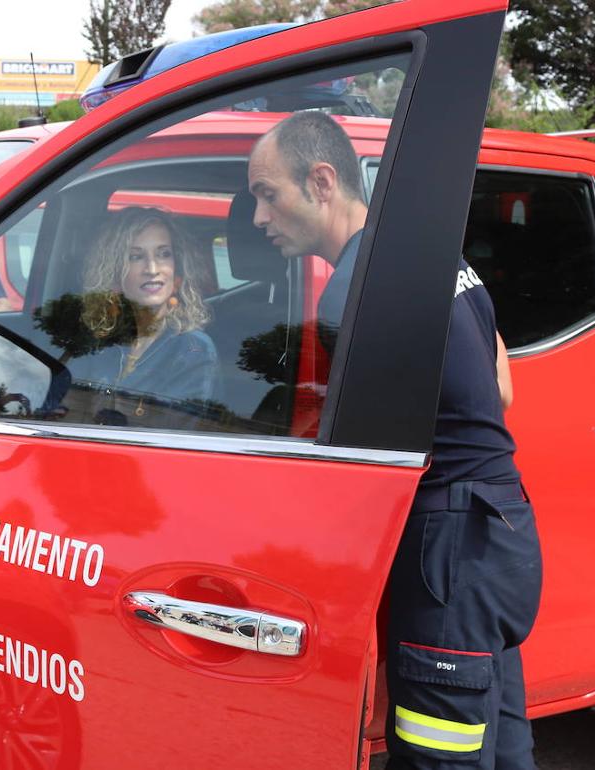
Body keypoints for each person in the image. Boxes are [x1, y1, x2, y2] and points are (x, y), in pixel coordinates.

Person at [248, 112, 540, 770]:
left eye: (268, 193)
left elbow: (357, 467)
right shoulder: (430, 255)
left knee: (441, 758)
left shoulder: (355, 294)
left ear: (322, 182)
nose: (260, 217)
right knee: (503, 747)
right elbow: (500, 386)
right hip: (503, 532)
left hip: (449, 558)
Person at [76, 207, 218, 428]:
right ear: (114, 271)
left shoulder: (193, 349)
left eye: (163, 254)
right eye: (136, 257)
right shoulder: (100, 341)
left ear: (177, 267)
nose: (152, 269)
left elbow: (174, 442)